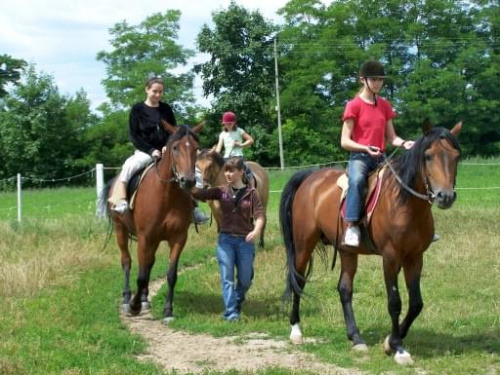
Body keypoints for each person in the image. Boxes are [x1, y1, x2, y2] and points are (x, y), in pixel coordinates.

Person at [108, 76, 209, 224]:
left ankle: (194, 207)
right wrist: (150, 151)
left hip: (167, 151)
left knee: (194, 172)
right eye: (155, 91)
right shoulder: (137, 110)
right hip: (145, 151)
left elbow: (175, 133)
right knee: (128, 168)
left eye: (160, 92)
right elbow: (134, 136)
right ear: (147, 90)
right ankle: (121, 201)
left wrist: (167, 147)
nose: (158, 95)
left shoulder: (166, 109)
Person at [340, 60, 415, 247]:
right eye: (373, 79)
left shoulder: (384, 105)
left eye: (380, 80)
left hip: (381, 158)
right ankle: (352, 226)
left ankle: (413, 226)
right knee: (357, 181)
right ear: (362, 80)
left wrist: (404, 143)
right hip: (360, 158)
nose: (377, 83)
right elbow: (345, 141)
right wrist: (365, 148)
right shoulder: (353, 105)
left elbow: (392, 137)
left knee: (406, 179)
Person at [191, 157, 265, 321]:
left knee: (246, 279)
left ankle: (237, 300)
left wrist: (257, 229)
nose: (228, 174)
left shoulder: (251, 193)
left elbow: (259, 215)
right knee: (227, 277)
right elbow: (199, 193)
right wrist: (189, 182)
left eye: (231, 171)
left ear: (240, 172)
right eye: (226, 171)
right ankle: (231, 313)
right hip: (225, 241)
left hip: (245, 241)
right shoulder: (220, 190)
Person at [215, 111, 255, 187]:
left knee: (246, 168)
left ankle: (252, 189)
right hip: (226, 158)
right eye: (226, 124)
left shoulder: (239, 131)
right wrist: (213, 154)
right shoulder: (222, 134)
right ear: (224, 124)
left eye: (230, 123)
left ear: (234, 123)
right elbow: (218, 148)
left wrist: (241, 145)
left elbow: (251, 140)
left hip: (238, 156)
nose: (228, 125)